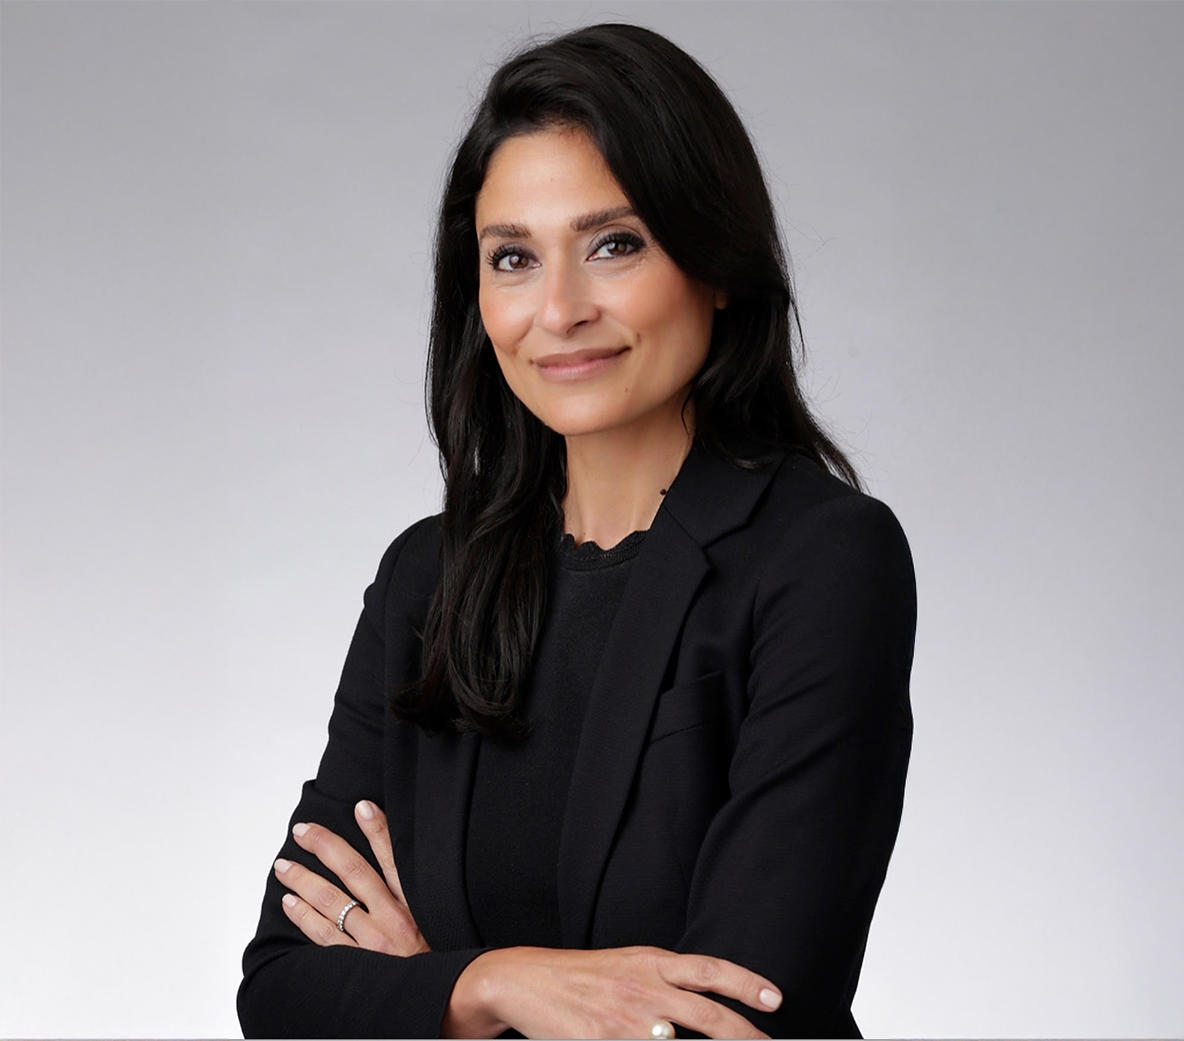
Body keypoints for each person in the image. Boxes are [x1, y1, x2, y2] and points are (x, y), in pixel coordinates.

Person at [237, 21, 917, 1041]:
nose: (557, 310)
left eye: (614, 245)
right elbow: (283, 993)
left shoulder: (823, 560)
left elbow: (740, 1021)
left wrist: (421, 990)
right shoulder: (426, 578)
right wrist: (497, 985)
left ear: (715, 261)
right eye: (513, 257)